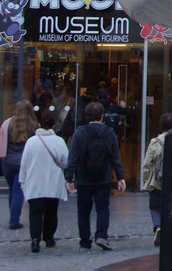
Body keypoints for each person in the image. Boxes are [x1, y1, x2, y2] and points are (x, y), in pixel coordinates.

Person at [65, 100, 126, 251]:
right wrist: (120, 177)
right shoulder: (109, 133)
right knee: (103, 208)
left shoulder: (79, 133)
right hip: (103, 178)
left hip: (83, 178)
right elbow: (115, 158)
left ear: (86, 116)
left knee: (83, 211)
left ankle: (85, 241)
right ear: (102, 116)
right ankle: (101, 236)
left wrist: (69, 178)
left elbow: (73, 157)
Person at [19, 110, 68, 253]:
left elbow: (24, 163)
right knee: (51, 212)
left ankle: (35, 240)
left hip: (35, 182)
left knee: (35, 212)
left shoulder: (31, 142)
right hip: (53, 182)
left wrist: (23, 181)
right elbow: (66, 162)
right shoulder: (59, 141)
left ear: (39, 124)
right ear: (53, 126)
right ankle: (49, 237)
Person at [142, 112, 172, 247]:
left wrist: (146, 180)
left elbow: (147, 164)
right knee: (171, 206)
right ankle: (171, 232)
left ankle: (158, 227)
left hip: (156, 181)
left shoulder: (155, 142)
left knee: (155, 207)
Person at [0, 100, 37, 229]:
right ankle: (14, 220)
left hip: (7, 161)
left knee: (12, 190)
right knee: (18, 191)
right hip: (23, 162)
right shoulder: (33, 125)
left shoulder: (7, 123)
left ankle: (13, 216)